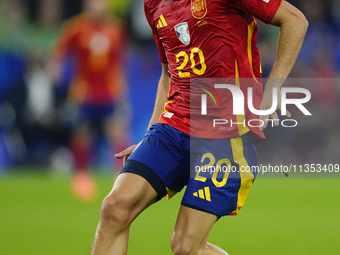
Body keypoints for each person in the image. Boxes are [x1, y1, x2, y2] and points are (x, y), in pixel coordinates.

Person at [91, 0, 308, 254]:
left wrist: (272, 93)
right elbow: (168, 73)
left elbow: (295, 21)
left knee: (185, 246)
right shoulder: (153, 5)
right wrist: (150, 135)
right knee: (114, 207)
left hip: (224, 133)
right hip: (172, 128)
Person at [49, 0, 128, 200]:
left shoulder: (116, 29)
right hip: (84, 92)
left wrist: (122, 91)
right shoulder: (76, 27)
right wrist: (56, 68)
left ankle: (120, 176)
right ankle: (82, 177)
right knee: (82, 133)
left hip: (109, 91)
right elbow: (60, 50)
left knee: (116, 132)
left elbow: (119, 62)